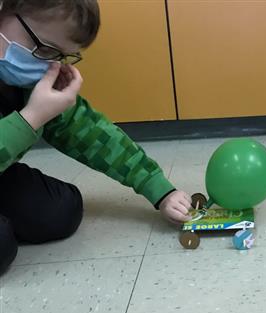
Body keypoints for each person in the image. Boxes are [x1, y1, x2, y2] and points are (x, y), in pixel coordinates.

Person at [0, 0, 192, 276]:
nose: (50, 67)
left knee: (61, 211)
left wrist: (158, 188)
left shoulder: (30, 83)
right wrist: (32, 118)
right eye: (43, 49)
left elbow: (91, 133)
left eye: (62, 57)